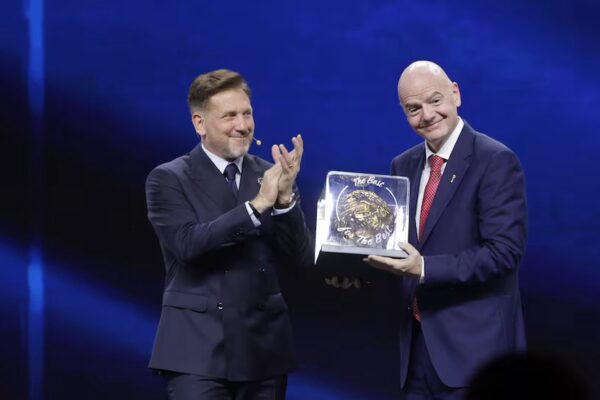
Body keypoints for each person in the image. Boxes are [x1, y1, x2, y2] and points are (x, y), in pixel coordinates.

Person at [362, 61, 528, 399]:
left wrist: (424, 268)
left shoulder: (495, 160)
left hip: (476, 354)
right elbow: (398, 248)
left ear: (456, 94)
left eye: (434, 100)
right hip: (416, 354)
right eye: (414, 108)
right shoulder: (402, 165)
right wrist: (350, 267)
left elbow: (504, 254)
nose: (427, 115)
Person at [145, 69, 312, 399]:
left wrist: (284, 202)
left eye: (247, 114)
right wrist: (257, 206)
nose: (243, 125)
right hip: (197, 352)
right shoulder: (169, 178)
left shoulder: (270, 174)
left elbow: (301, 259)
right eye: (230, 116)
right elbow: (189, 244)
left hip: (264, 352)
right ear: (200, 124)